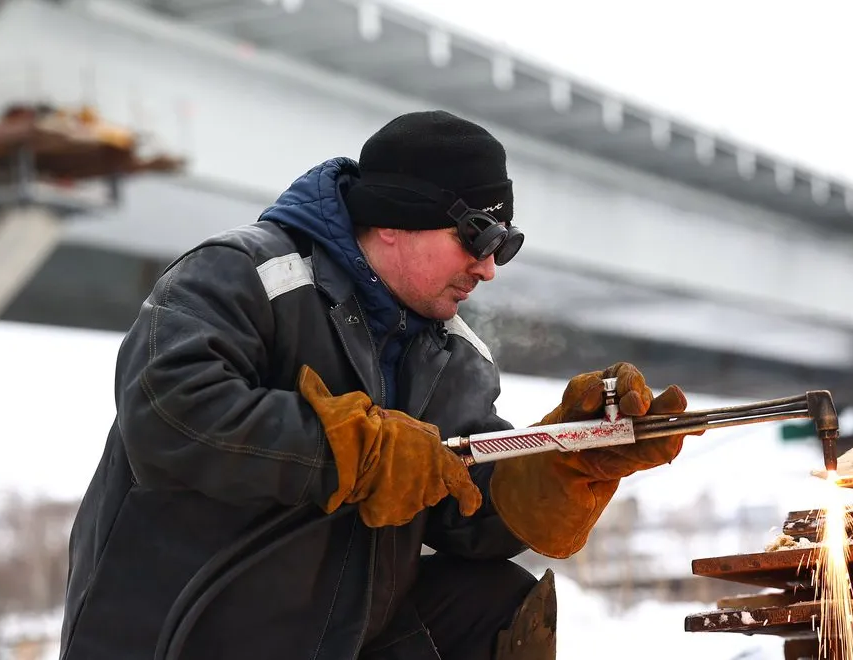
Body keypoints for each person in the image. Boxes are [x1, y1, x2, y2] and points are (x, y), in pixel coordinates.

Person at [58, 110, 698, 660]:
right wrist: (353, 453)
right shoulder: (244, 276)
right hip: (183, 638)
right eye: (476, 237)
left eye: (502, 246)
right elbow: (170, 415)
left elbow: (465, 504)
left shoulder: (453, 357)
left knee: (491, 608)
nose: (487, 268)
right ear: (393, 219)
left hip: (330, 640)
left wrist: (562, 463)